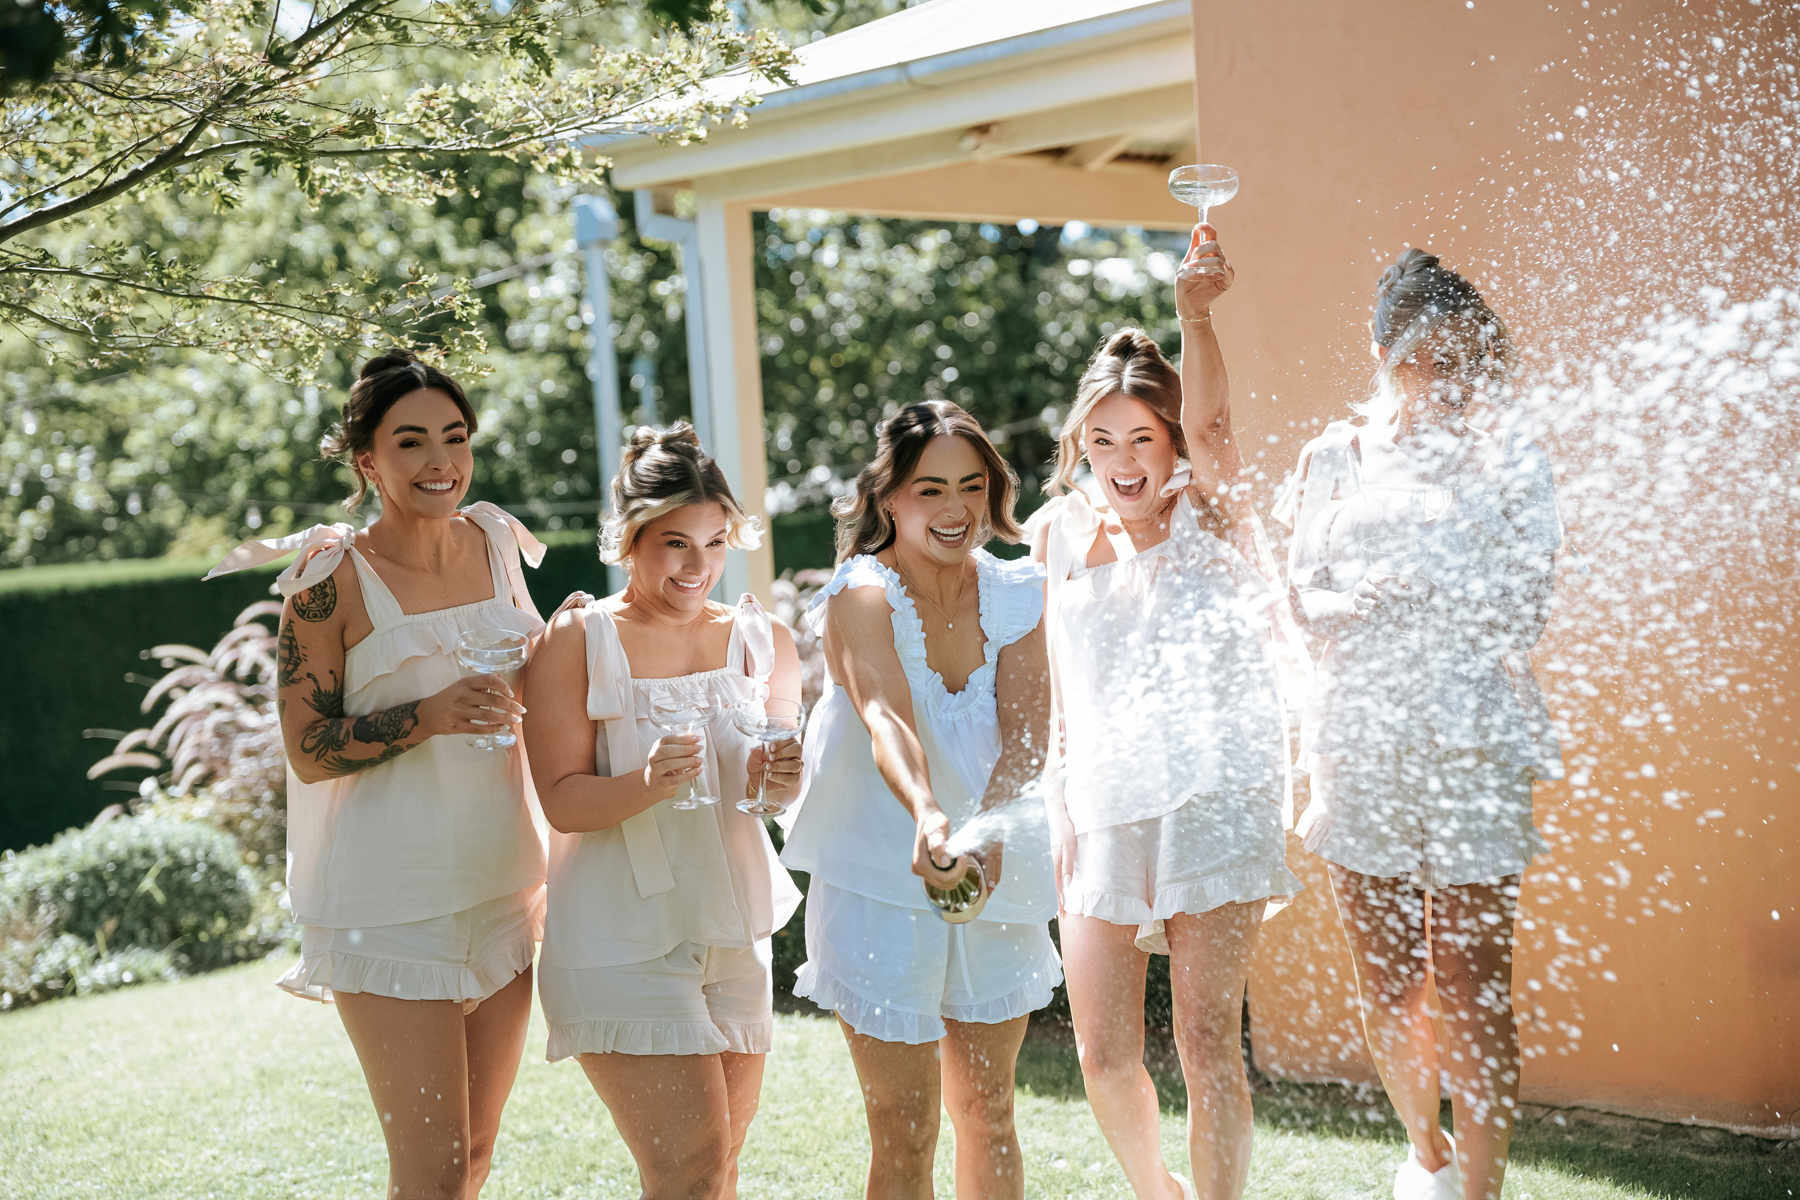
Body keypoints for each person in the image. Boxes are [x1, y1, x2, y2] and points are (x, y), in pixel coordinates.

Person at [207, 348, 555, 1199]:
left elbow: (533, 686)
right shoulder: (331, 583)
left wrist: (574, 641)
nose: (441, 460)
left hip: (503, 884)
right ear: (367, 460)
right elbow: (307, 748)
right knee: (430, 1171)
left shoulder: (500, 542)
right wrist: (428, 715)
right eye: (411, 442)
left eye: (455, 435)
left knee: (473, 1159)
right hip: (390, 906)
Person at [1273, 249, 1563, 1200]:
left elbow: (1526, 613)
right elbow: (1300, 607)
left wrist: (1444, 593)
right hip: (1359, 743)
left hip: (1476, 742)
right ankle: (1427, 1160)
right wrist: (1357, 603)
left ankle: (1478, 1191)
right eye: (1422, 360)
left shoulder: (1515, 459)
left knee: (1475, 978)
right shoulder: (1331, 459)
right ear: (1381, 353)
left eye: (1463, 362)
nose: (1443, 380)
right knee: (1391, 980)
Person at [1026, 225, 1306, 1200]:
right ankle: (1159, 1191)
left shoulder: (1211, 507)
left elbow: (1219, 424)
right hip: (1101, 806)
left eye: (1140, 436)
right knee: (1101, 1049)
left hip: (1212, 795)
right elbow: (1049, 690)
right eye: (1100, 440)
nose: (1120, 459)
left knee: (1203, 1040)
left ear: (1171, 439)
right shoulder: (1056, 534)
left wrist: (1196, 314)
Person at [779, 400, 1059, 1200]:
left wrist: (991, 836)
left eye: (970, 487)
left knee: (990, 1110)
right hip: (878, 868)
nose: (955, 509)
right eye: (929, 488)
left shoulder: (1019, 591)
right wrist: (931, 817)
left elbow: (1030, 731)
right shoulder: (860, 594)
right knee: (905, 1126)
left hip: (993, 874)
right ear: (888, 497)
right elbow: (883, 715)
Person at [521, 423, 804, 1200]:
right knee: (689, 1170)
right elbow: (562, 801)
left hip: (732, 929)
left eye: (715, 543)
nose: (699, 566)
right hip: (619, 936)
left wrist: (779, 778)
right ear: (630, 538)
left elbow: (772, 800)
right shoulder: (577, 640)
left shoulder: (762, 640)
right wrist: (646, 780)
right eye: (676, 542)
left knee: (717, 1173)